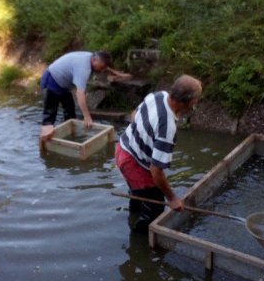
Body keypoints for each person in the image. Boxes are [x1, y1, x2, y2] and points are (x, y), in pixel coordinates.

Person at [115, 74, 203, 233]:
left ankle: (134, 213)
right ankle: (139, 240)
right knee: (155, 209)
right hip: (133, 164)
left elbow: (135, 114)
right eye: (196, 100)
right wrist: (172, 198)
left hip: (122, 148)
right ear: (190, 102)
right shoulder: (167, 127)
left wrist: (144, 138)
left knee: (139, 194)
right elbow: (156, 170)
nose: (196, 103)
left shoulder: (158, 95)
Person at [40, 50, 131, 129]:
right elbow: (80, 94)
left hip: (64, 85)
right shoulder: (83, 69)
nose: (103, 70)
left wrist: (117, 73)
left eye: (104, 68)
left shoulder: (92, 57)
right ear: (95, 60)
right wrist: (87, 116)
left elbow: (105, 66)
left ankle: (71, 135)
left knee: (70, 112)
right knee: (49, 117)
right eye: (102, 68)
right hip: (51, 81)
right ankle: (45, 141)